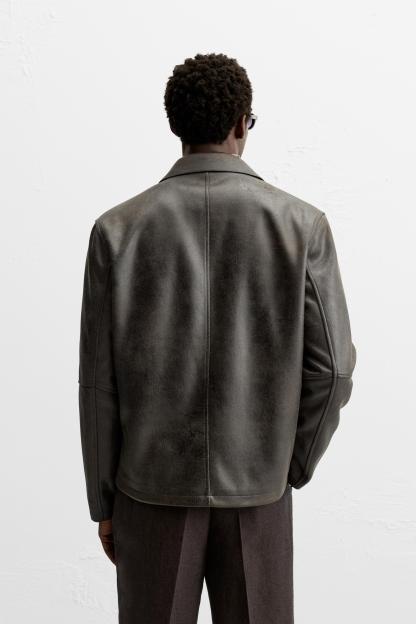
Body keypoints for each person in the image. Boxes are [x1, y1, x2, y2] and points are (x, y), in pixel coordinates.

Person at [78, 52, 357, 623]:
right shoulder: (302, 225)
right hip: (259, 490)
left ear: (176, 126)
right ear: (241, 124)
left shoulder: (116, 230)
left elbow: (98, 384)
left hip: (149, 489)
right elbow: (333, 371)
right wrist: (289, 464)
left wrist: (103, 500)